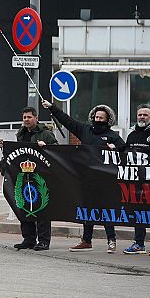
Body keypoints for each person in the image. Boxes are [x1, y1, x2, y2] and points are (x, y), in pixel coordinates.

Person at [42, 99, 125, 253]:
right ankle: (86, 240)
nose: (97, 120)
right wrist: (53, 108)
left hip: (105, 180)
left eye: (101, 118)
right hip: (87, 178)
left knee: (107, 210)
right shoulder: (85, 130)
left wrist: (116, 148)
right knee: (88, 209)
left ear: (108, 120)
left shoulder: (112, 136)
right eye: (96, 117)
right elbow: (67, 121)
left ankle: (111, 240)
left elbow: (125, 150)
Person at [0, 107, 58, 251]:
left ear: (36, 118)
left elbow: (57, 151)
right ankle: (28, 239)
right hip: (24, 178)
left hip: (41, 178)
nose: (26, 120)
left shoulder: (46, 134)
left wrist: (46, 147)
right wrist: (4, 148)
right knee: (25, 208)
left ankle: (44, 240)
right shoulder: (21, 134)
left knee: (42, 209)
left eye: (29, 117)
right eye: (24, 117)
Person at [122, 104, 150, 256]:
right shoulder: (131, 135)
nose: (142, 117)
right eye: (139, 115)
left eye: (145, 115)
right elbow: (125, 155)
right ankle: (139, 243)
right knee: (138, 212)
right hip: (135, 181)